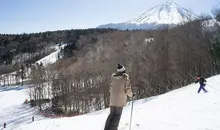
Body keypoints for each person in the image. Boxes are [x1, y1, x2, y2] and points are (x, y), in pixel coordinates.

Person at [104, 64, 135, 130]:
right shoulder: (125, 78)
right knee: (117, 116)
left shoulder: (113, 78)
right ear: (123, 71)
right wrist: (131, 95)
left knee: (111, 115)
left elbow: (110, 89)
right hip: (120, 101)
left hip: (113, 100)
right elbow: (127, 90)